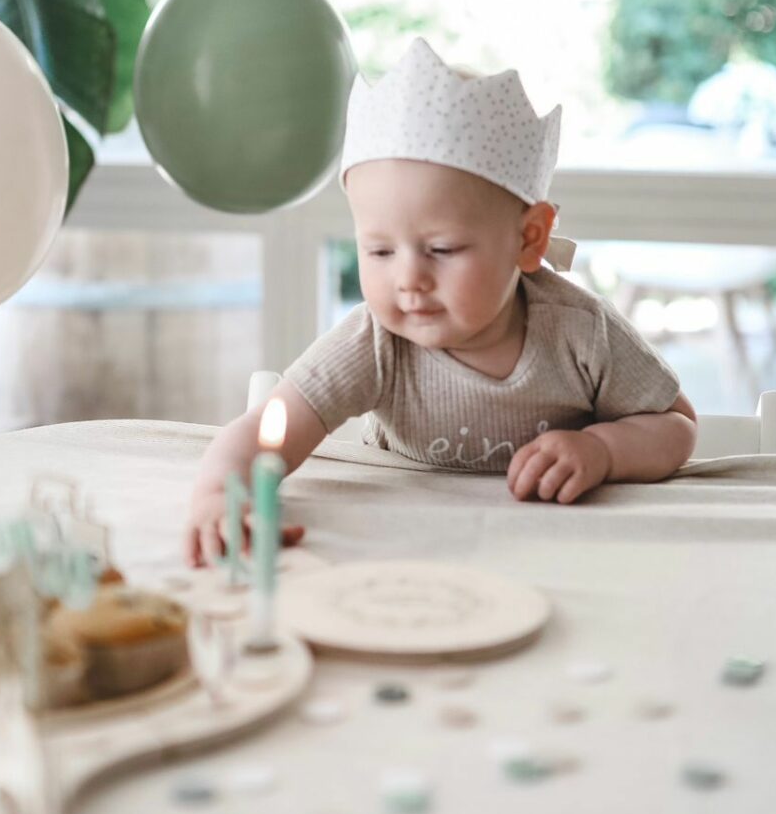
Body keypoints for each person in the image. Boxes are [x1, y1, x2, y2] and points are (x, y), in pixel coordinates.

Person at [185, 38, 696, 565]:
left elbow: (676, 427)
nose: (409, 278)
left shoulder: (578, 331)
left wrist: (604, 451)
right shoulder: (376, 343)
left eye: (442, 249)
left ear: (529, 239)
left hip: (554, 555)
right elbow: (259, 434)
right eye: (379, 250)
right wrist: (218, 496)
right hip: (401, 557)